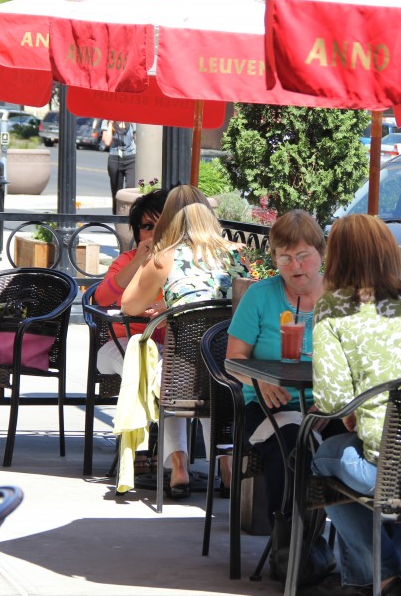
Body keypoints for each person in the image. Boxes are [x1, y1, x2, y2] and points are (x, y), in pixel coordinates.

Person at [302, 214, 401, 596]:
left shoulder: (334, 308)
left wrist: (356, 412)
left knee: (321, 457)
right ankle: (379, 581)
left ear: (336, 258)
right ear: (392, 252)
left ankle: (385, 576)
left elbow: (333, 400)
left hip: (381, 467)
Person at [121, 184, 247, 498]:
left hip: (183, 377)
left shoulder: (165, 257)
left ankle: (178, 467)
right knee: (203, 382)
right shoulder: (237, 253)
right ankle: (228, 466)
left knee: (169, 371)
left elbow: (129, 306)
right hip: (231, 371)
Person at [226, 209, 344, 524]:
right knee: (291, 445)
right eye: (284, 258)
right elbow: (233, 360)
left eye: (303, 256)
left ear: (321, 253)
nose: (295, 266)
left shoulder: (340, 298)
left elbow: (357, 362)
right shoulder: (260, 296)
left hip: (327, 407)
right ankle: (291, 542)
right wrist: (259, 383)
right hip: (269, 406)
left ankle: (349, 546)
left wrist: (333, 400)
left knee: (358, 448)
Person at [93, 188, 169, 375]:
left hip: (168, 346)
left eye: (162, 225)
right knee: (143, 367)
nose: (155, 233)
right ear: (138, 233)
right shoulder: (127, 260)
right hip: (122, 343)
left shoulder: (181, 262)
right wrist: (139, 261)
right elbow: (101, 298)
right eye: (148, 227)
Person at [103, 121, 136, 211]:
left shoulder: (132, 119)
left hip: (131, 158)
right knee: (116, 193)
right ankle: (117, 219)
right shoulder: (106, 121)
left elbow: (137, 138)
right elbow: (107, 141)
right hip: (114, 158)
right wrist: (110, 124)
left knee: (131, 189)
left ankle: (130, 216)